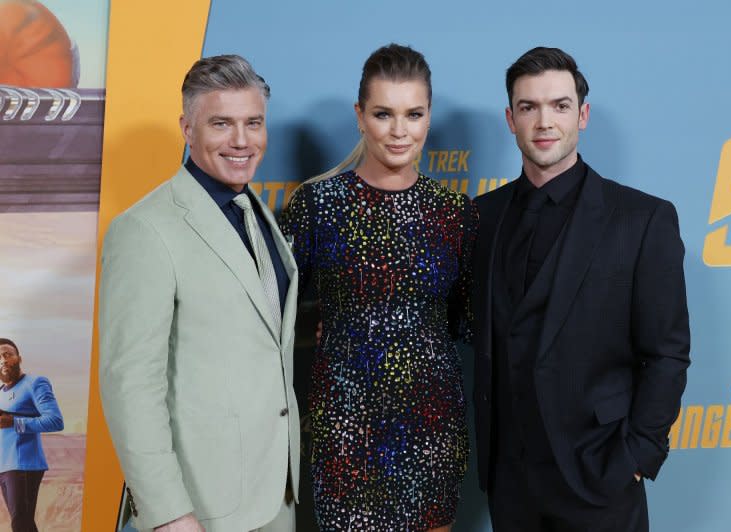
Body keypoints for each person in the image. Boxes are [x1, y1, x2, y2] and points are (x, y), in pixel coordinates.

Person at [471, 47, 690, 532]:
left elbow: (668, 354)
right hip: (510, 483)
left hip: (601, 479)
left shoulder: (642, 219)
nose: (544, 121)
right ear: (511, 119)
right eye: (528, 107)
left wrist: (635, 458)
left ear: (582, 115)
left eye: (560, 105)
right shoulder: (481, 217)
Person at [99, 55, 300, 532]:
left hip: (275, 494)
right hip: (198, 505)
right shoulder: (144, 230)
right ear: (187, 128)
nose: (242, 141)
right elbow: (130, 384)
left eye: (253, 123)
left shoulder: (256, 211)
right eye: (221, 124)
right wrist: (168, 511)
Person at [279, 44, 476, 532]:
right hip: (346, 429)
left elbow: (464, 320)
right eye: (383, 113)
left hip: (432, 425)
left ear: (428, 118)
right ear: (360, 116)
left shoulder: (454, 214)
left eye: (414, 114)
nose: (399, 130)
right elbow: (274, 312)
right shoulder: (318, 205)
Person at [0, 337, 64, 532]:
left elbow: (55, 421)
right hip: (4, 465)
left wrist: (15, 421)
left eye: (7, 354)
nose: (2, 360)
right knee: (22, 522)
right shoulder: (1, 391)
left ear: (19, 358)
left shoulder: (35, 383)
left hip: (24, 463)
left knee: (20, 522)